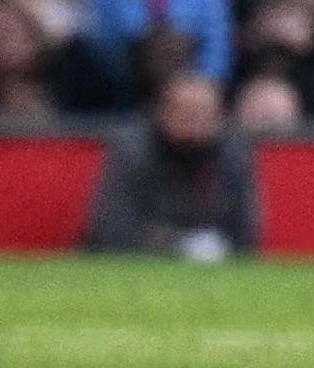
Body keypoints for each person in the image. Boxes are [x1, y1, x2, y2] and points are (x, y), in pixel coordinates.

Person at [83, 66, 258, 259]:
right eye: (184, 112)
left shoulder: (233, 153)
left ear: (220, 117)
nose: (194, 122)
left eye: (202, 112)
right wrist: (178, 245)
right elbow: (112, 231)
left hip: (214, 268)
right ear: (162, 114)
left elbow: (246, 233)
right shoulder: (133, 151)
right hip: (141, 267)